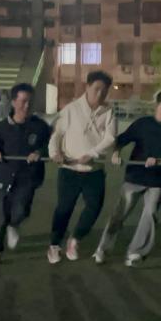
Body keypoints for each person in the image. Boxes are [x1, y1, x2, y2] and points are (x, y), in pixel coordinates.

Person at [95, 89, 161, 267]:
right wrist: (116, 153)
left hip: (158, 180)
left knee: (150, 215)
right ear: (157, 105)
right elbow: (121, 140)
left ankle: (135, 252)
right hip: (135, 177)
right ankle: (103, 248)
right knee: (119, 214)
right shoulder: (143, 124)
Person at [48, 70, 117, 264]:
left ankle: (75, 239)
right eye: (96, 89)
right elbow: (57, 134)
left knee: (94, 208)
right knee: (64, 208)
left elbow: (110, 138)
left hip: (94, 170)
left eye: (104, 90)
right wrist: (54, 153)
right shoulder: (71, 109)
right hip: (69, 169)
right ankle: (54, 245)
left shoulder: (109, 111)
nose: (100, 94)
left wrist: (92, 154)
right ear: (87, 87)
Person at [0, 84, 50, 267]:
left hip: (28, 178)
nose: (27, 105)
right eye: (23, 101)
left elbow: (49, 146)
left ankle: (14, 225)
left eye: (30, 101)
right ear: (13, 102)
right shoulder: (2, 127)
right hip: (5, 176)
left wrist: (39, 152)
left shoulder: (41, 127)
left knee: (20, 210)